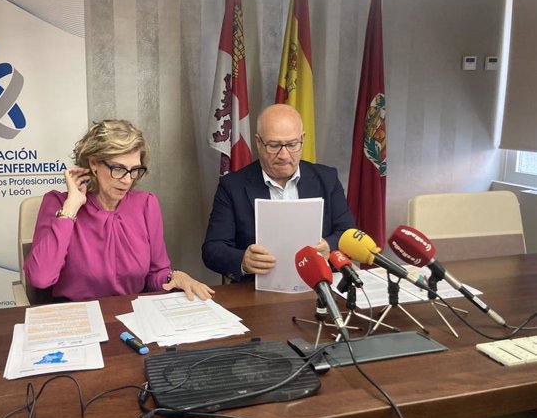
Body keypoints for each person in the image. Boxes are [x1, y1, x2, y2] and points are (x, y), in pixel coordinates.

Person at [25, 119, 214, 302]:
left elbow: (155, 274)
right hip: (77, 317)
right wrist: (71, 208)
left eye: (134, 170)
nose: (127, 180)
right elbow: (40, 278)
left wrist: (174, 277)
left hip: (132, 314)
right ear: (93, 163)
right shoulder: (57, 203)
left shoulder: (146, 204)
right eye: (118, 169)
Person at [202, 104, 356, 282]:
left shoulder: (327, 179)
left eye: (292, 144)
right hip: (257, 293)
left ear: (302, 139)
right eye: (274, 145)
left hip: (319, 287)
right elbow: (213, 249)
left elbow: (348, 232)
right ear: (259, 143)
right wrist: (243, 260)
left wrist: (329, 246)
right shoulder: (233, 186)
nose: (284, 155)